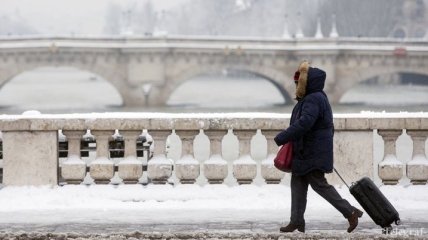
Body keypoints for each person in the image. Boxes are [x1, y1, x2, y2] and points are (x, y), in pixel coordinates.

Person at [274, 60, 363, 233]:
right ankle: (297, 221)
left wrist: (283, 137)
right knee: (298, 184)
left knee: (320, 186)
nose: (296, 84)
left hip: (311, 153)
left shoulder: (313, 99)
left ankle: (349, 211)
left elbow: (305, 123)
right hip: (306, 151)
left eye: (298, 82)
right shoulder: (313, 98)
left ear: (307, 82)